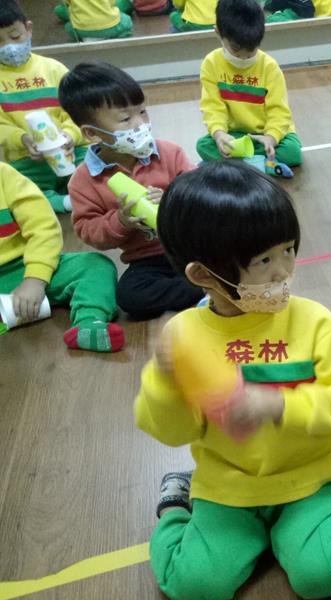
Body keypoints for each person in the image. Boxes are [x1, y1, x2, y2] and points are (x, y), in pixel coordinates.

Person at [137, 161, 331, 600]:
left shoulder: (315, 322)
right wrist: (164, 383)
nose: (284, 271)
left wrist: (280, 406)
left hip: (313, 477)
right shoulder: (184, 336)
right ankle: (175, 506)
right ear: (203, 275)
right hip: (228, 486)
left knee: (322, 573)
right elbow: (172, 431)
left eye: (288, 250)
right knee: (192, 586)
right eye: (264, 260)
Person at [60, 62, 202, 319]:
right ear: (92, 133)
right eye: (126, 119)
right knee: (130, 296)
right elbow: (89, 230)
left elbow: (199, 193)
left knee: (233, 247)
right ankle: (202, 287)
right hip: (148, 259)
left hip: (191, 245)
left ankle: (204, 281)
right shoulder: (83, 180)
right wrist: (121, 221)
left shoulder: (169, 152)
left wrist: (172, 200)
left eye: (143, 112)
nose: (140, 124)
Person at [0, 161, 121, 351]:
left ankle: (88, 322)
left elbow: (43, 226)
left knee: (95, 265)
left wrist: (35, 279)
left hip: (25, 265)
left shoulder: (4, 176)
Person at [0, 0, 88, 214]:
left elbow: (77, 110)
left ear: (28, 29)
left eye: (15, 36)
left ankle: (81, 191)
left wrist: (69, 134)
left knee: (98, 168)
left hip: (71, 150)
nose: (8, 47)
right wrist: (22, 139)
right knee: (16, 192)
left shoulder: (53, 69)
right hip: (27, 159)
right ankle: (66, 202)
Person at [197, 0, 302, 175]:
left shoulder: (269, 67)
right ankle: (262, 163)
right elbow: (212, 107)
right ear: (218, 32)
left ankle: (236, 164)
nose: (244, 57)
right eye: (236, 49)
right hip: (235, 134)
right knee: (203, 145)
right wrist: (219, 134)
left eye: (251, 50)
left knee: (292, 152)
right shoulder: (211, 63)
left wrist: (271, 137)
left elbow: (279, 111)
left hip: (267, 135)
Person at [54, 0, 133, 41]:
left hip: (81, 29)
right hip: (111, 26)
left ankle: (84, 38)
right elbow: (112, 3)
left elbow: (67, 4)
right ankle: (120, 36)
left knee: (67, 24)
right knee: (126, 20)